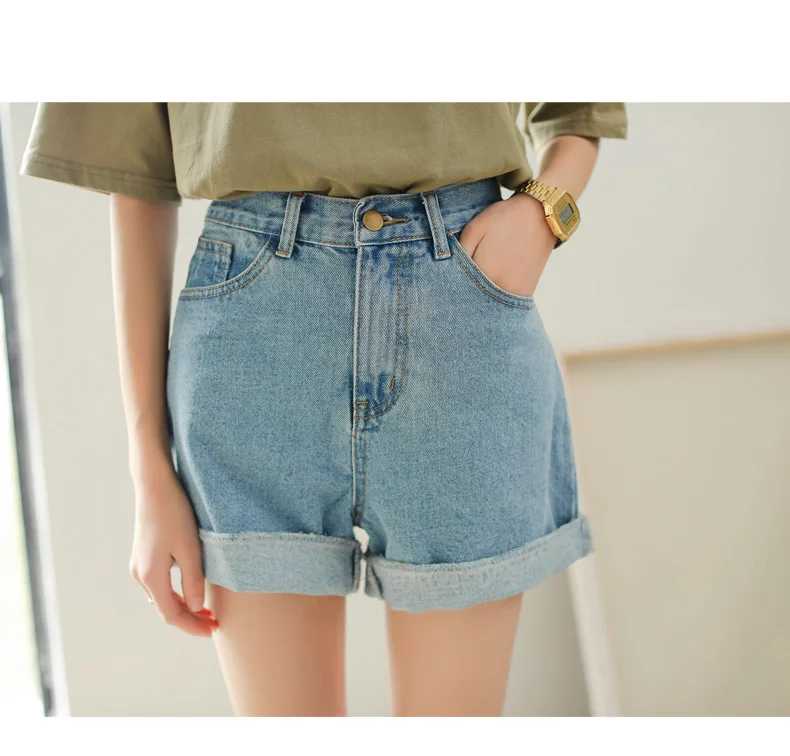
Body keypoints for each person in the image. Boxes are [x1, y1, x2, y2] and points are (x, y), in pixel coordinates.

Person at [19, 102, 628, 716]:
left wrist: (544, 212)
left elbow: (578, 106)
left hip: (458, 311)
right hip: (254, 337)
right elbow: (136, 175)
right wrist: (149, 471)